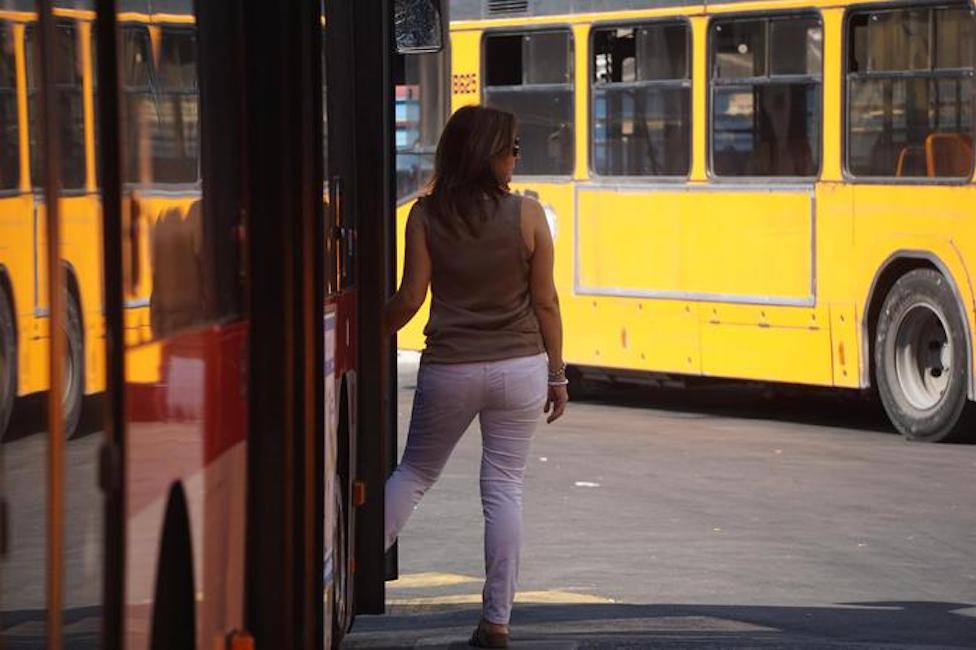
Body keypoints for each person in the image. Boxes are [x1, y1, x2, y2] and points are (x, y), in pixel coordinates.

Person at [383, 105, 568, 648]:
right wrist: (557, 375)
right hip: (521, 367)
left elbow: (409, 299)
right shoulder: (529, 216)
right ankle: (496, 623)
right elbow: (547, 303)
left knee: (414, 474)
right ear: (489, 156)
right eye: (512, 149)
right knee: (504, 488)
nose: (517, 158)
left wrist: (363, 335)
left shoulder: (424, 216)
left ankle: (343, 575)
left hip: (452, 366)